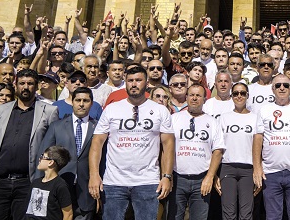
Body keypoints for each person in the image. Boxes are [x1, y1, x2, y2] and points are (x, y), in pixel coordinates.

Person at [88, 66, 175, 220]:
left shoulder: (160, 111)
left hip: (147, 181)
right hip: (114, 182)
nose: (134, 84)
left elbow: (168, 146)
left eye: (138, 80)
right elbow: (97, 144)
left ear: (147, 83)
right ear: (125, 82)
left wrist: (166, 176)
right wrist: (94, 175)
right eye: (130, 80)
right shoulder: (112, 109)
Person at [0, 68, 60, 220]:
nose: (25, 87)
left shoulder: (50, 111)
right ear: (15, 85)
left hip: (28, 182)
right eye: (22, 83)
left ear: (37, 86)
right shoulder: (0, 110)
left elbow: (52, 145)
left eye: (30, 83)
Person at [252, 74, 290, 220]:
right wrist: (257, 167)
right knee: (273, 217)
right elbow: (258, 139)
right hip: (271, 172)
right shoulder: (264, 110)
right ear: (272, 89)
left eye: (286, 85)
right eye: (278, 85)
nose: (282, 88)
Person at [38, 87, 99, 220]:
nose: (81, 104)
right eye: (78, 100)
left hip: (87, 190)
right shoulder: (56, 126)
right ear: (72, 102)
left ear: (92, 103)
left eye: (86, 100)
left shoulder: (99, 127)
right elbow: (43, 157)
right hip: (59, 186)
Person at [170, 84, 225, 220]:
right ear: (187, 97)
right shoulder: (174, 119)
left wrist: (210, 177)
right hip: (177, 178)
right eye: (192, 95)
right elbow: (165, 147)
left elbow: (218, 151)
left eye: (198, 95)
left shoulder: (212, 122)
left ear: (204, 99)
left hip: (202, 179)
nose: (194, 98)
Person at [218, 82, 257, 220]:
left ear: (247, 96)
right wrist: (216, 174)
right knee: (228, 212)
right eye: (235, 93)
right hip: (227, 167)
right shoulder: (223, 118)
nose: (239, 96)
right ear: (231, 96)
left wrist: (258, 171)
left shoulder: (256, 118)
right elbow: (218, 147)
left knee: (246, 213)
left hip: (248, 168)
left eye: (242, 93)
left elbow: (260, 147)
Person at [26, 145, 73, 220]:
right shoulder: (35, 183)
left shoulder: (60, 185)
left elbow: (68, 214)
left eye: (43, 156)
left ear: (50, 162)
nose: (39, 159)